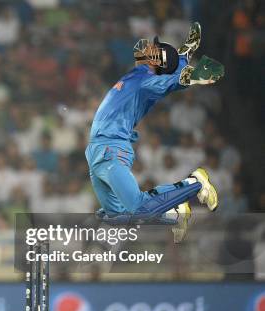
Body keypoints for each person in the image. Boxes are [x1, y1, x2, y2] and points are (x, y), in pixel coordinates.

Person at [85, 23, 224, 241]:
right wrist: (185, 54)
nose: (149, 46)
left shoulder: (145, 80)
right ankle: (175, 213)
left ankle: (195, 183)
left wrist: (195, 75)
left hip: (111, 148)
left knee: (138, 209)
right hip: (96, 152)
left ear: (156, 61)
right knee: (118, 217)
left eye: (155, 49)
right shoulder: (141, 74)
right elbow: (170, 76)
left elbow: (170, 80)